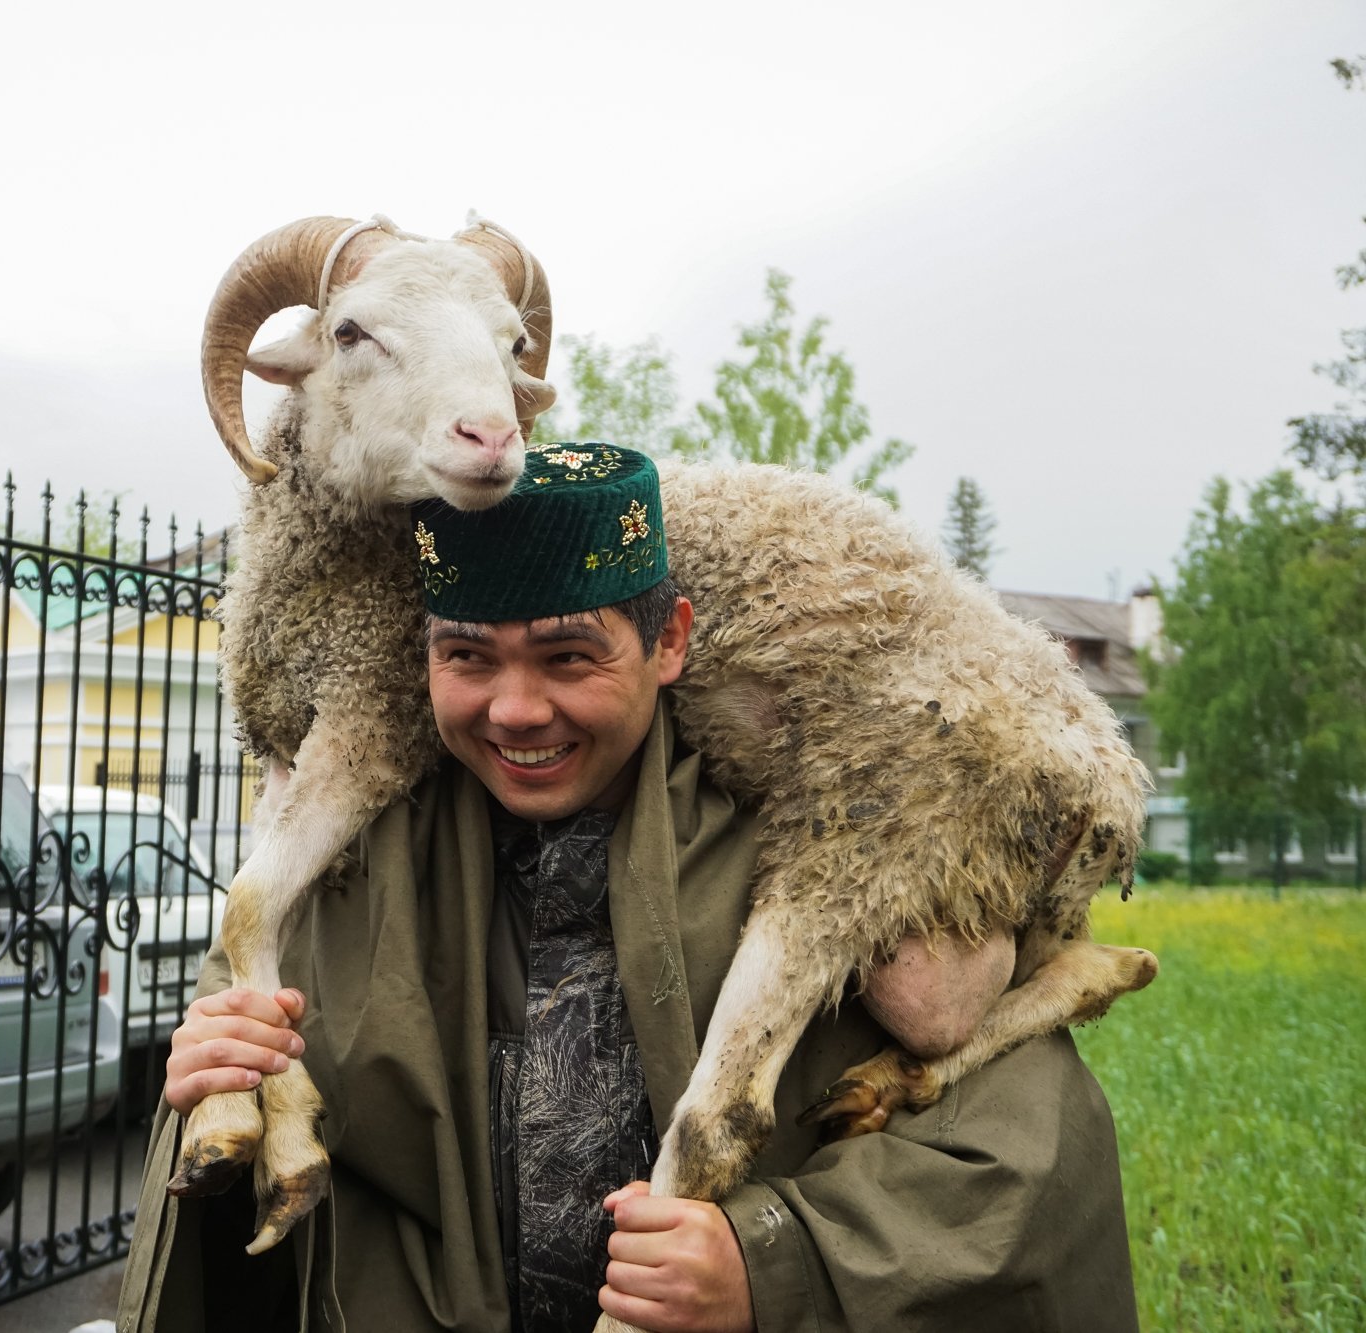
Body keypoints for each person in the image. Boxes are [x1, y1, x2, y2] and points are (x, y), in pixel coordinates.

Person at [116, 447, 1138, 1332]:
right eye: (466, 656)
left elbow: (1025, 1146)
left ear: (669, 642)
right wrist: (209, 1081)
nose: (514, 709)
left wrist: (767, 1263)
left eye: (566, 655)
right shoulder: (343, 874)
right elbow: (252, 1190)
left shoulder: (824, 847)